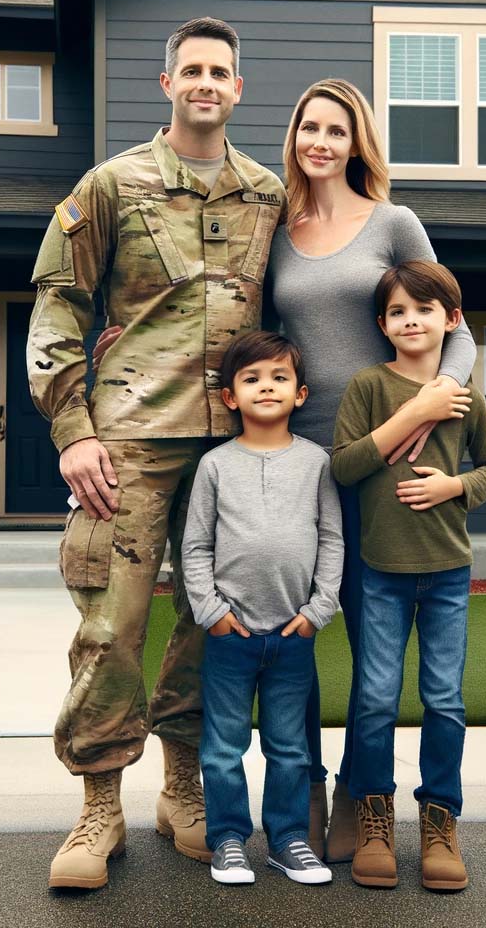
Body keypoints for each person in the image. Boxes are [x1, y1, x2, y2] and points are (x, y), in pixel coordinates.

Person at [92, 77, 477, 859]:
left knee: (375, 656)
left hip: (386, 459)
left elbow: (455, 327)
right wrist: (122, 338)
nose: (321, 142)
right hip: (299, 464)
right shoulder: (279, 228)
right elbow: (243, 326)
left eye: (338, 130)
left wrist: (429, 404)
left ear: (357, 141)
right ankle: (301, 790)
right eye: (309, 128)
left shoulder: (395, 222)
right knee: (287, 633)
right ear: (295, 137)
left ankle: (363, 800)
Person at [27, 16, 285, 890]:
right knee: (111, 628)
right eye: (192, 70)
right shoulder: (111, 184)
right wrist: (73, 432)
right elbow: (59, 305)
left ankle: (184, 790)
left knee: (214, 626)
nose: (206, 83)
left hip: (237, 447)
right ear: (166, 83)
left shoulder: (268, 192)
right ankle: (100, 807)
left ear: (238, 88)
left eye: (221, 70)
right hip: (128, 445)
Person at [331, 260, 486, 892]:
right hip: (381, 571)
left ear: (450, 320)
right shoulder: (368, 387)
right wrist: (402, 424)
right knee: (375, 698)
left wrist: (454, 485)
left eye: (425, 310)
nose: (411, 320)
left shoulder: (466, 396)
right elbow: (344, 466)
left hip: (448, 574)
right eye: (398, 312)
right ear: (383, 325)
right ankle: (375, 818)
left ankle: (440, 820)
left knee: (444, 700)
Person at [182, 330, 343, 886]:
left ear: (300, 394)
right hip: (230, 635)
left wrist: (318, 611)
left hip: (294, 633)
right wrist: (213, 613)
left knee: (289, 747)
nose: (266, 387)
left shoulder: (317, 462)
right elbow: (196, 546)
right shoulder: (216, 466)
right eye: (252, 378)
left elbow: (332, 540)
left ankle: (289, 840)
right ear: (231, 397)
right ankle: (228, 840)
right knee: (224, 746)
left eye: (279, 377)